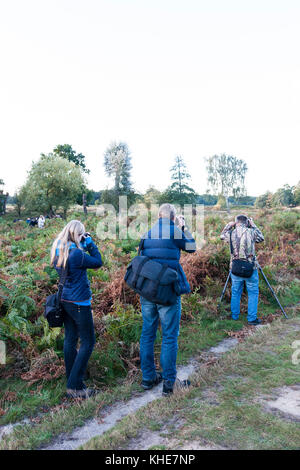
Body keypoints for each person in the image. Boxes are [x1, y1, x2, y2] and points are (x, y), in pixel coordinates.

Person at [139, 203, 196, 396]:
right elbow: (192, 247)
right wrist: (183, 227)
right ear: (173, 217)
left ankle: (148, 378)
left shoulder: (147, 233)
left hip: (147, 290)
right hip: (167, 291)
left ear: (158, 216)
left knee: (147, 333)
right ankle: (169, 383)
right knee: (169, 336)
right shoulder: (175, 231)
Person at [50, 220, 102, 399]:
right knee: (88, 342)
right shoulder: (77, 254)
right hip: (79, 302)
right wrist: (90, 244)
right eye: (82, 234)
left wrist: (82, 244)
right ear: (77, 234)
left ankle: (71, 377)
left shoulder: (59, 249)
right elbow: (98, 262)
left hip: (65, 300)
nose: (83, 237)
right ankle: (75, 386)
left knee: (70, 340)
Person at [220, 214, 264, 325]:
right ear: (247, 222)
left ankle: (235, 316)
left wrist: (228, 226)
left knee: (235, 292)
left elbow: (222, 236)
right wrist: (253, 225)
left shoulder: (231, 234)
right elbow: (261, 238)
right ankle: (252, 318)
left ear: (236, 222)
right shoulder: (251, 232)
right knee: (253, 293)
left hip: (235, 267)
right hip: (250, 267)